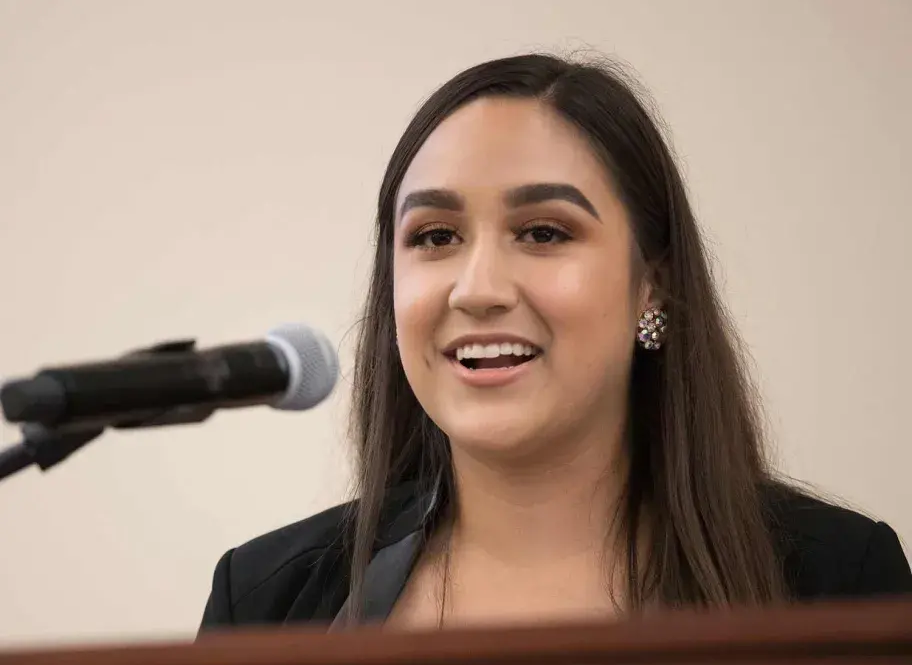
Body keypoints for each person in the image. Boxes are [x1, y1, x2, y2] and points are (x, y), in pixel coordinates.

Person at [199, 53, 910, 633]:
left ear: (652, 286)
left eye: (543, 233)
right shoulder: (268, 600)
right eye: (435, 237)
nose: (477, 289)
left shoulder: (837, 582)